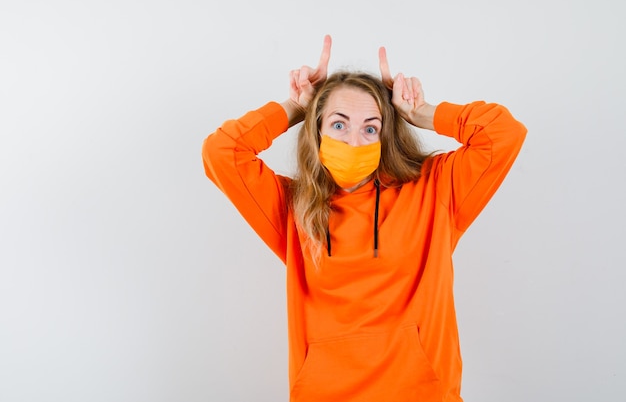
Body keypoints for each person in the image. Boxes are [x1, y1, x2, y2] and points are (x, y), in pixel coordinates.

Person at [202, 35, 527, 402]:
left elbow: (503, 134)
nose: (354, 142)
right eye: (339, 125)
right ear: (317, 130)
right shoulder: (296, 208)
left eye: (370, 128)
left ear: (386, 135)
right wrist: (294, 106)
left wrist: (423, 112)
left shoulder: (435, 190)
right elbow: (222, 152)